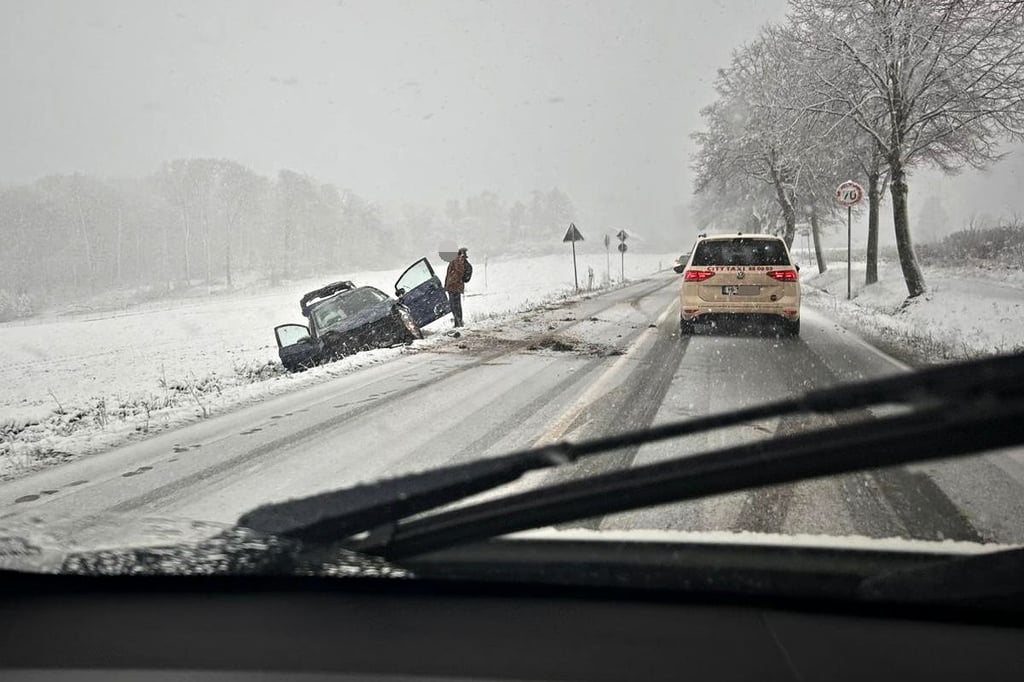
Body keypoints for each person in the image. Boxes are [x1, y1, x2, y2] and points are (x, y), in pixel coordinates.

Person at [444, 247, 469, 328]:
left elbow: (458, 273)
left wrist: (449, 284)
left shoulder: (459, 261)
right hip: (454, 286)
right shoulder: (458, 261)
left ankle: (458, 322)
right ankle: (458, 322)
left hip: (454, 286)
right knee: (455, 305)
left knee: (455, 306)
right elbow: (449, 274)